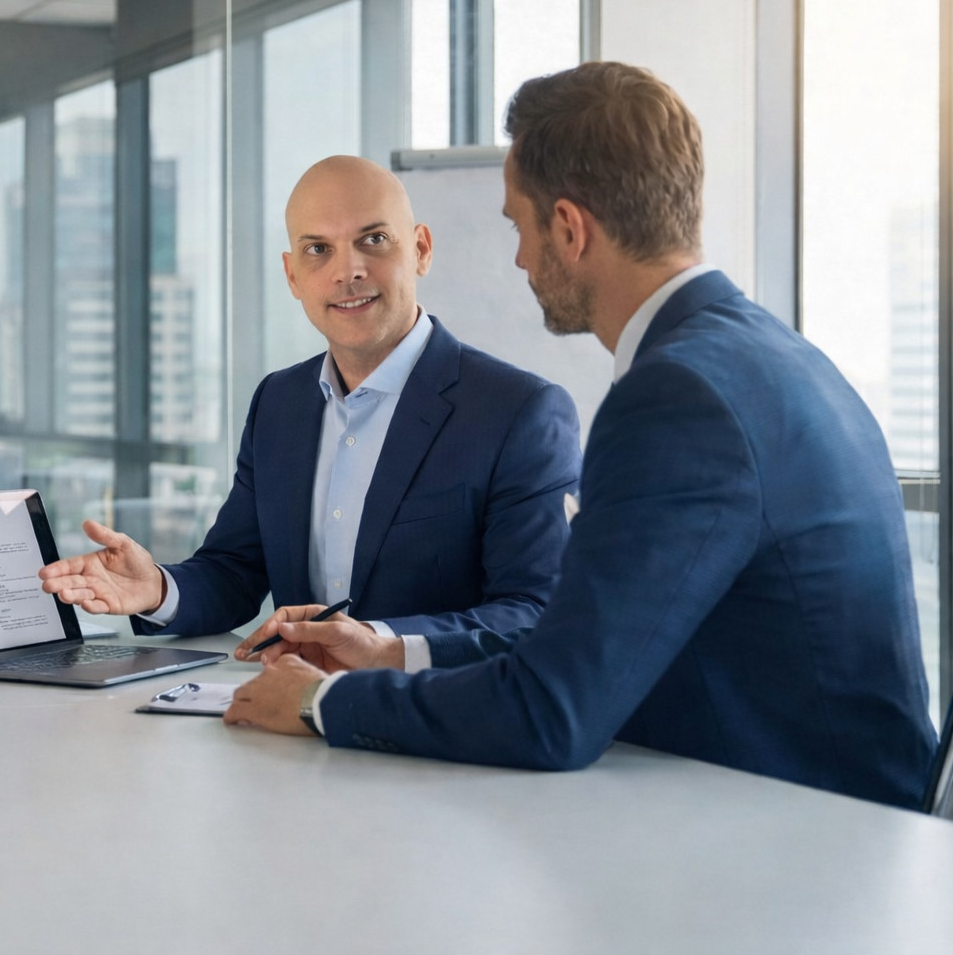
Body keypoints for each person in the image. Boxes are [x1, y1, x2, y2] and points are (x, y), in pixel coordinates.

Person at [224, 62, 938, 809]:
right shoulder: (770, 354)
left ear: (568, 227)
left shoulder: (677, 397)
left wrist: (320, 706)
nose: (520, 259)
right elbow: (599, 636)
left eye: (519, 226)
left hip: (799, 842)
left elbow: (552, 712)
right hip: (832, 819)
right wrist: (392, 651)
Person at [39, 156, 581, 655]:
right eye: (318, 249)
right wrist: (158, 588)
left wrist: (376, 642)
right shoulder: (280, 402)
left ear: (420, 249)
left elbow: (535, 613)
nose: (348, 271)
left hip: (432, 736)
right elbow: (235, 570)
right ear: (292, 273)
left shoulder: (518, 412)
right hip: (286, 726)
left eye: (373, 240)